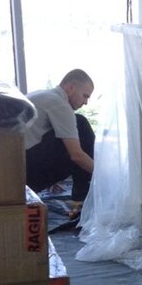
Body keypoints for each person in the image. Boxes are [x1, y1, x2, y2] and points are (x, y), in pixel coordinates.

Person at [23, 69, 96, 202]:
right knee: (81, 124)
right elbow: (77, 155)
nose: (85, 102)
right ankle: (82, 197)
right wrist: (102, 176)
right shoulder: (60, 104)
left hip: (16, 169)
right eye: (85, 96)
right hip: (25, 176)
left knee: (70, 131)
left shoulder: (42, 95)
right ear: (70, 88)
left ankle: (82, 193)